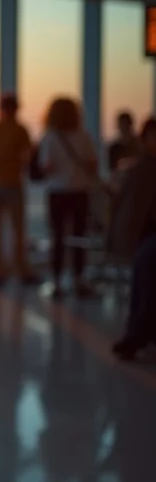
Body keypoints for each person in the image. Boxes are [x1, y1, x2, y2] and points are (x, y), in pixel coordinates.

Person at [37, 97, 99, 299]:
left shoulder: (50, 137)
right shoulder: (84, 137)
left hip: (57, 191)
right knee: (79, 237)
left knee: (58, 237)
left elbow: (46, 167)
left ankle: (56, 280)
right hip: (80, 191)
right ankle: (79, 278)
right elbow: (92, 165)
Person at [0, 93, 38, 283]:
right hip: (11, 184)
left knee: (0, 229)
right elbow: (30, 155)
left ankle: (0, 269)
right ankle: (15, 268)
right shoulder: (20, 130)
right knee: (15, 229)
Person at [110, 117, 156, 360]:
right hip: (147, 238)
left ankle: (138, 333)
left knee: (146, 261)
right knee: (146, 261)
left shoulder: (139, 169)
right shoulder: (140, 169)